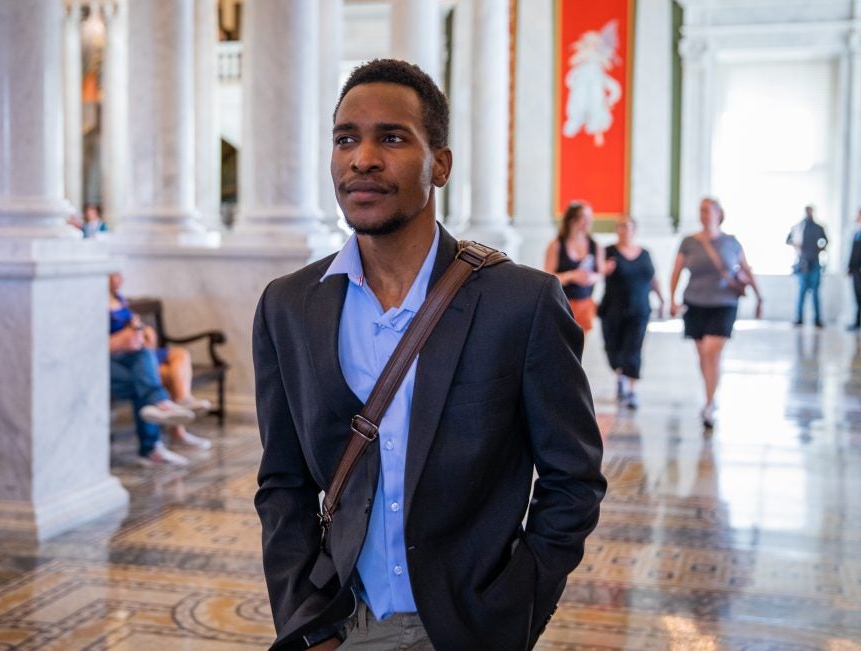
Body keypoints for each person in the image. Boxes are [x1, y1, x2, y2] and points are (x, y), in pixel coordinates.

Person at [253, 59, 606, 650]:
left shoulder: (520, 302)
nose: (362, 158)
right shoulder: (290, 306)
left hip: (469, 628)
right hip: (345, 623)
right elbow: (282, 483)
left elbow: (573, 483)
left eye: (391, 137)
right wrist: (307, 623)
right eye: (346, 139)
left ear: (439, 164)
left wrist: (512, 611)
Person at [670, 197, 762, 430]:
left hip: (724, 303)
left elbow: (746, 269)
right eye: (701, 210)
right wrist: (672, 299)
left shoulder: (731, 242)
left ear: (719, 214)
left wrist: (760, 296)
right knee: (703, 356)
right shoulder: (689, 242)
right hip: (695, 302)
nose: (704, 215)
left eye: (708, 211)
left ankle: (709, 404)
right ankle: (710, 393)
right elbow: (677, 270)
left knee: (713, 350)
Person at [109, 274, 211, 467]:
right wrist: (120, 340)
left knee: (174, 357)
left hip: (134, 356)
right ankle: (161, 422)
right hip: (115, 360)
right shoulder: (94, 302)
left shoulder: (119, 298)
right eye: (115, 274)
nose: (121, 278)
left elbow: (134, 324)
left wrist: (140, 330)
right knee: (147, 380)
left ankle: (178, 403)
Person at [598, 216, 664, 409]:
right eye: (620, 227)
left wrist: (662, 299)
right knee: (613, 350)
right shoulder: (608, 252)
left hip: (639, 309)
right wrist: (604, 270)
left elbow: (653, 278)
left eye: (627, 227)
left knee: (634, 348)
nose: (624, 230)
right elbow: (596, 272)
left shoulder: (645, 254)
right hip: (613, 309)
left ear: (634, 230)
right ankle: (620, 376)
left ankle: (632, 390)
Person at [544, 201, 606, 332]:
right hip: (562, 303)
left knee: (581, 346)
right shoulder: (556, 245)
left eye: (590, 217)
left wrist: (590, 278)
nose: (589, 221)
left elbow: (601, 274)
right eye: (584, 217)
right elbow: (548, 277)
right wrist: (571, 275)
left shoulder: (595, 245)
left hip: (585, 303)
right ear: (572, 220)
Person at [786, 205, 827, 327]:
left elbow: (825, 242)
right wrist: (796, 246)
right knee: (802, 292)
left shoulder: (818, 227)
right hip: (802, 263)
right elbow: (788, 240)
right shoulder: (799, 227)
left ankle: (817, 319)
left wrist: (818, 249)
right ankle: (799, 318)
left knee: (815, 293)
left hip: (814, 262)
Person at [847, 209, 861, 331]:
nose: (856, 217)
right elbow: (854, 253)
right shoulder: (857, 233)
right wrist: (850, 267)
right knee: (857, 296)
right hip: (856, 270)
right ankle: (858, 322)